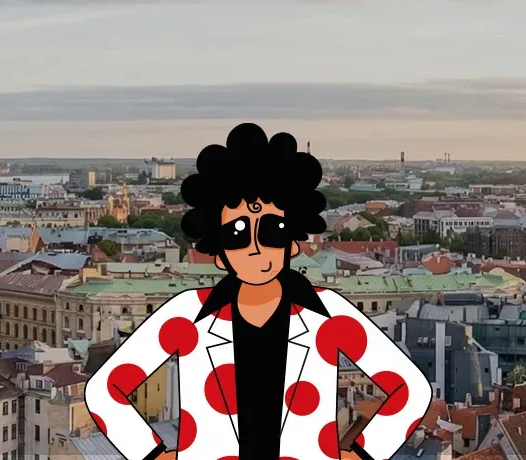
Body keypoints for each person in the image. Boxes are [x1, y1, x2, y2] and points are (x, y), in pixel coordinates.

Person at [82, 123, 429, 460]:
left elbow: (410, 390)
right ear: (218, 251)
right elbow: (104, 391)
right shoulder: (188, 314)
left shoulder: (328, 313)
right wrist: (153, 454)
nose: (255, 247)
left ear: (293, 244)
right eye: (236, 234)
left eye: (272, 231)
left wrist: (364, 454)